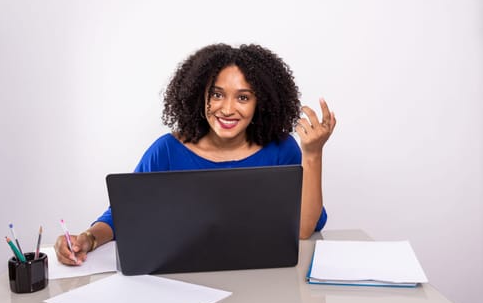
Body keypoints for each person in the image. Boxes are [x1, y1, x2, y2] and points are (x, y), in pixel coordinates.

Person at [55, 43, 336, 265]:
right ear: (198, 96)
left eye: (242, 97)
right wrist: (88, 239)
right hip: (184, 281)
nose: (227, 109)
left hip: (263, 281)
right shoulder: (167, 150)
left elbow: (303, 228)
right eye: (216, 94)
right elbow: (125, 215)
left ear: (260, 104)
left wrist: (312, 154)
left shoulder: (280, 149)